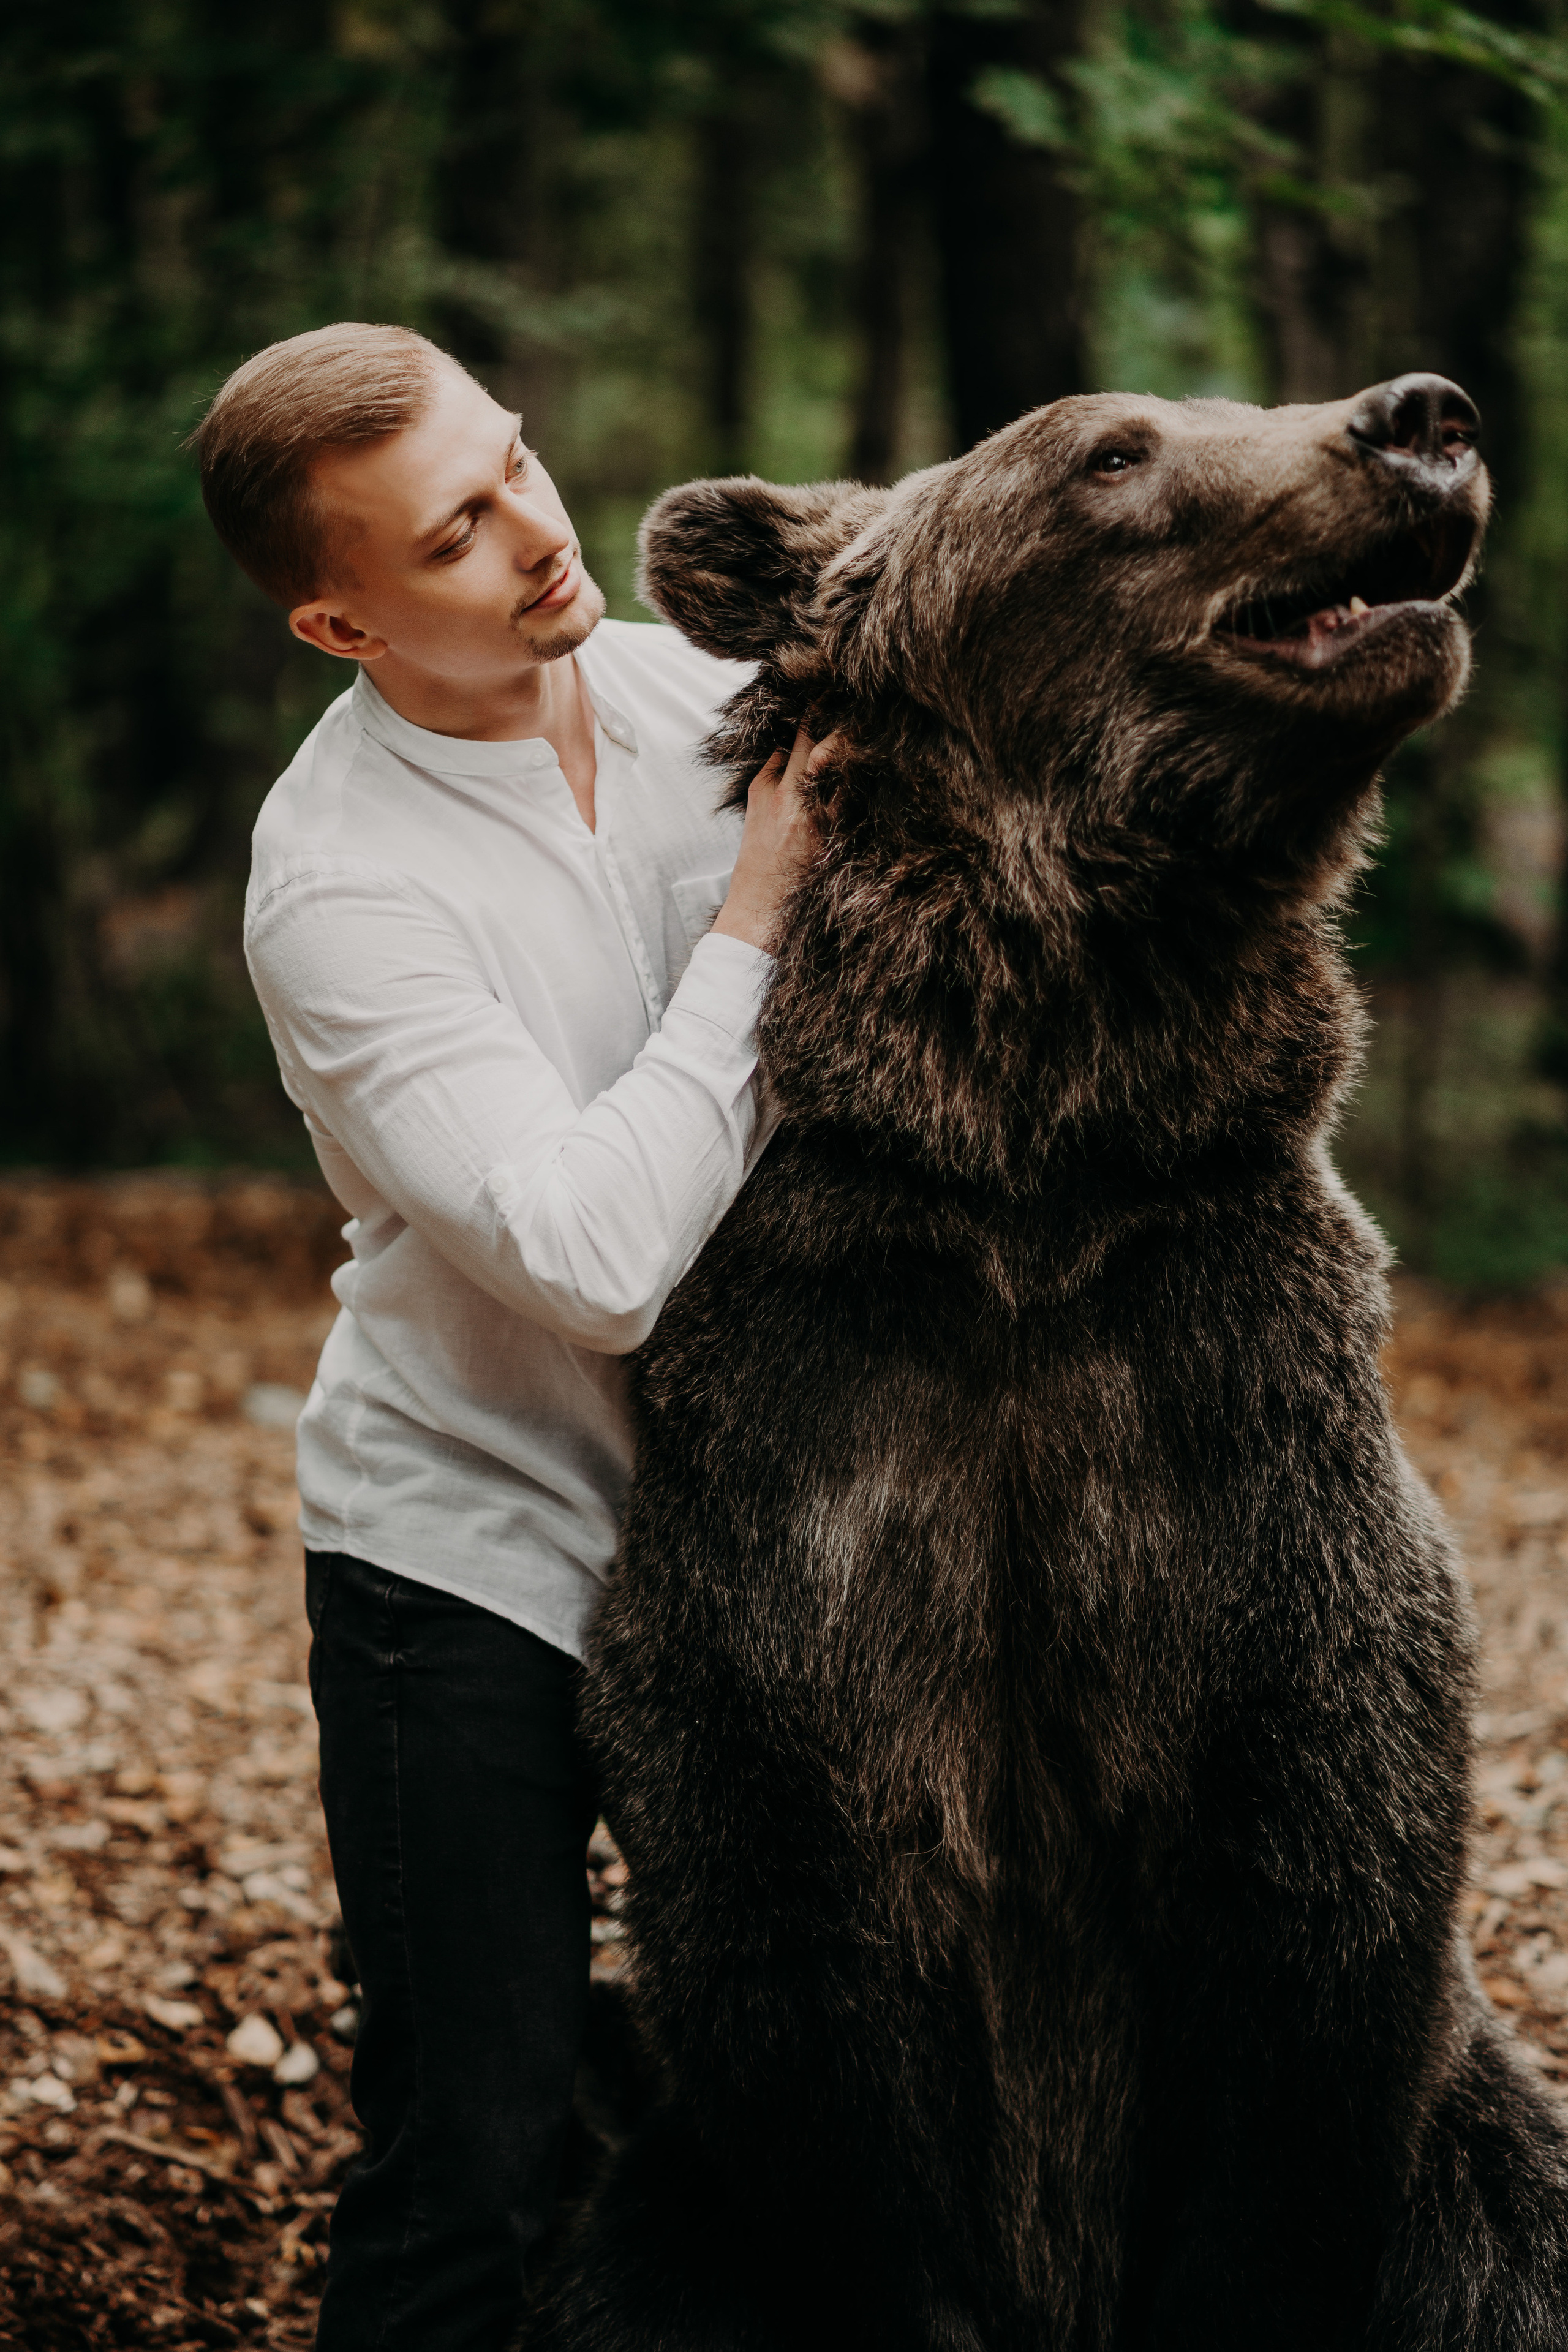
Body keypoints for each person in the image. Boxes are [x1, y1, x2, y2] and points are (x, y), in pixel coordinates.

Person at [191, 320, 818, 2351]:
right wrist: (760, 914)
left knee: (814, 2113)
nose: (540, 536)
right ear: (334, 619)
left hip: (764, 1558)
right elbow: (594, 1256)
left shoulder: (695, 702)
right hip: (469, 1557)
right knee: (474, 2147)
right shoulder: (339, 886)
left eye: (517, 464)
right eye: (454, 534)